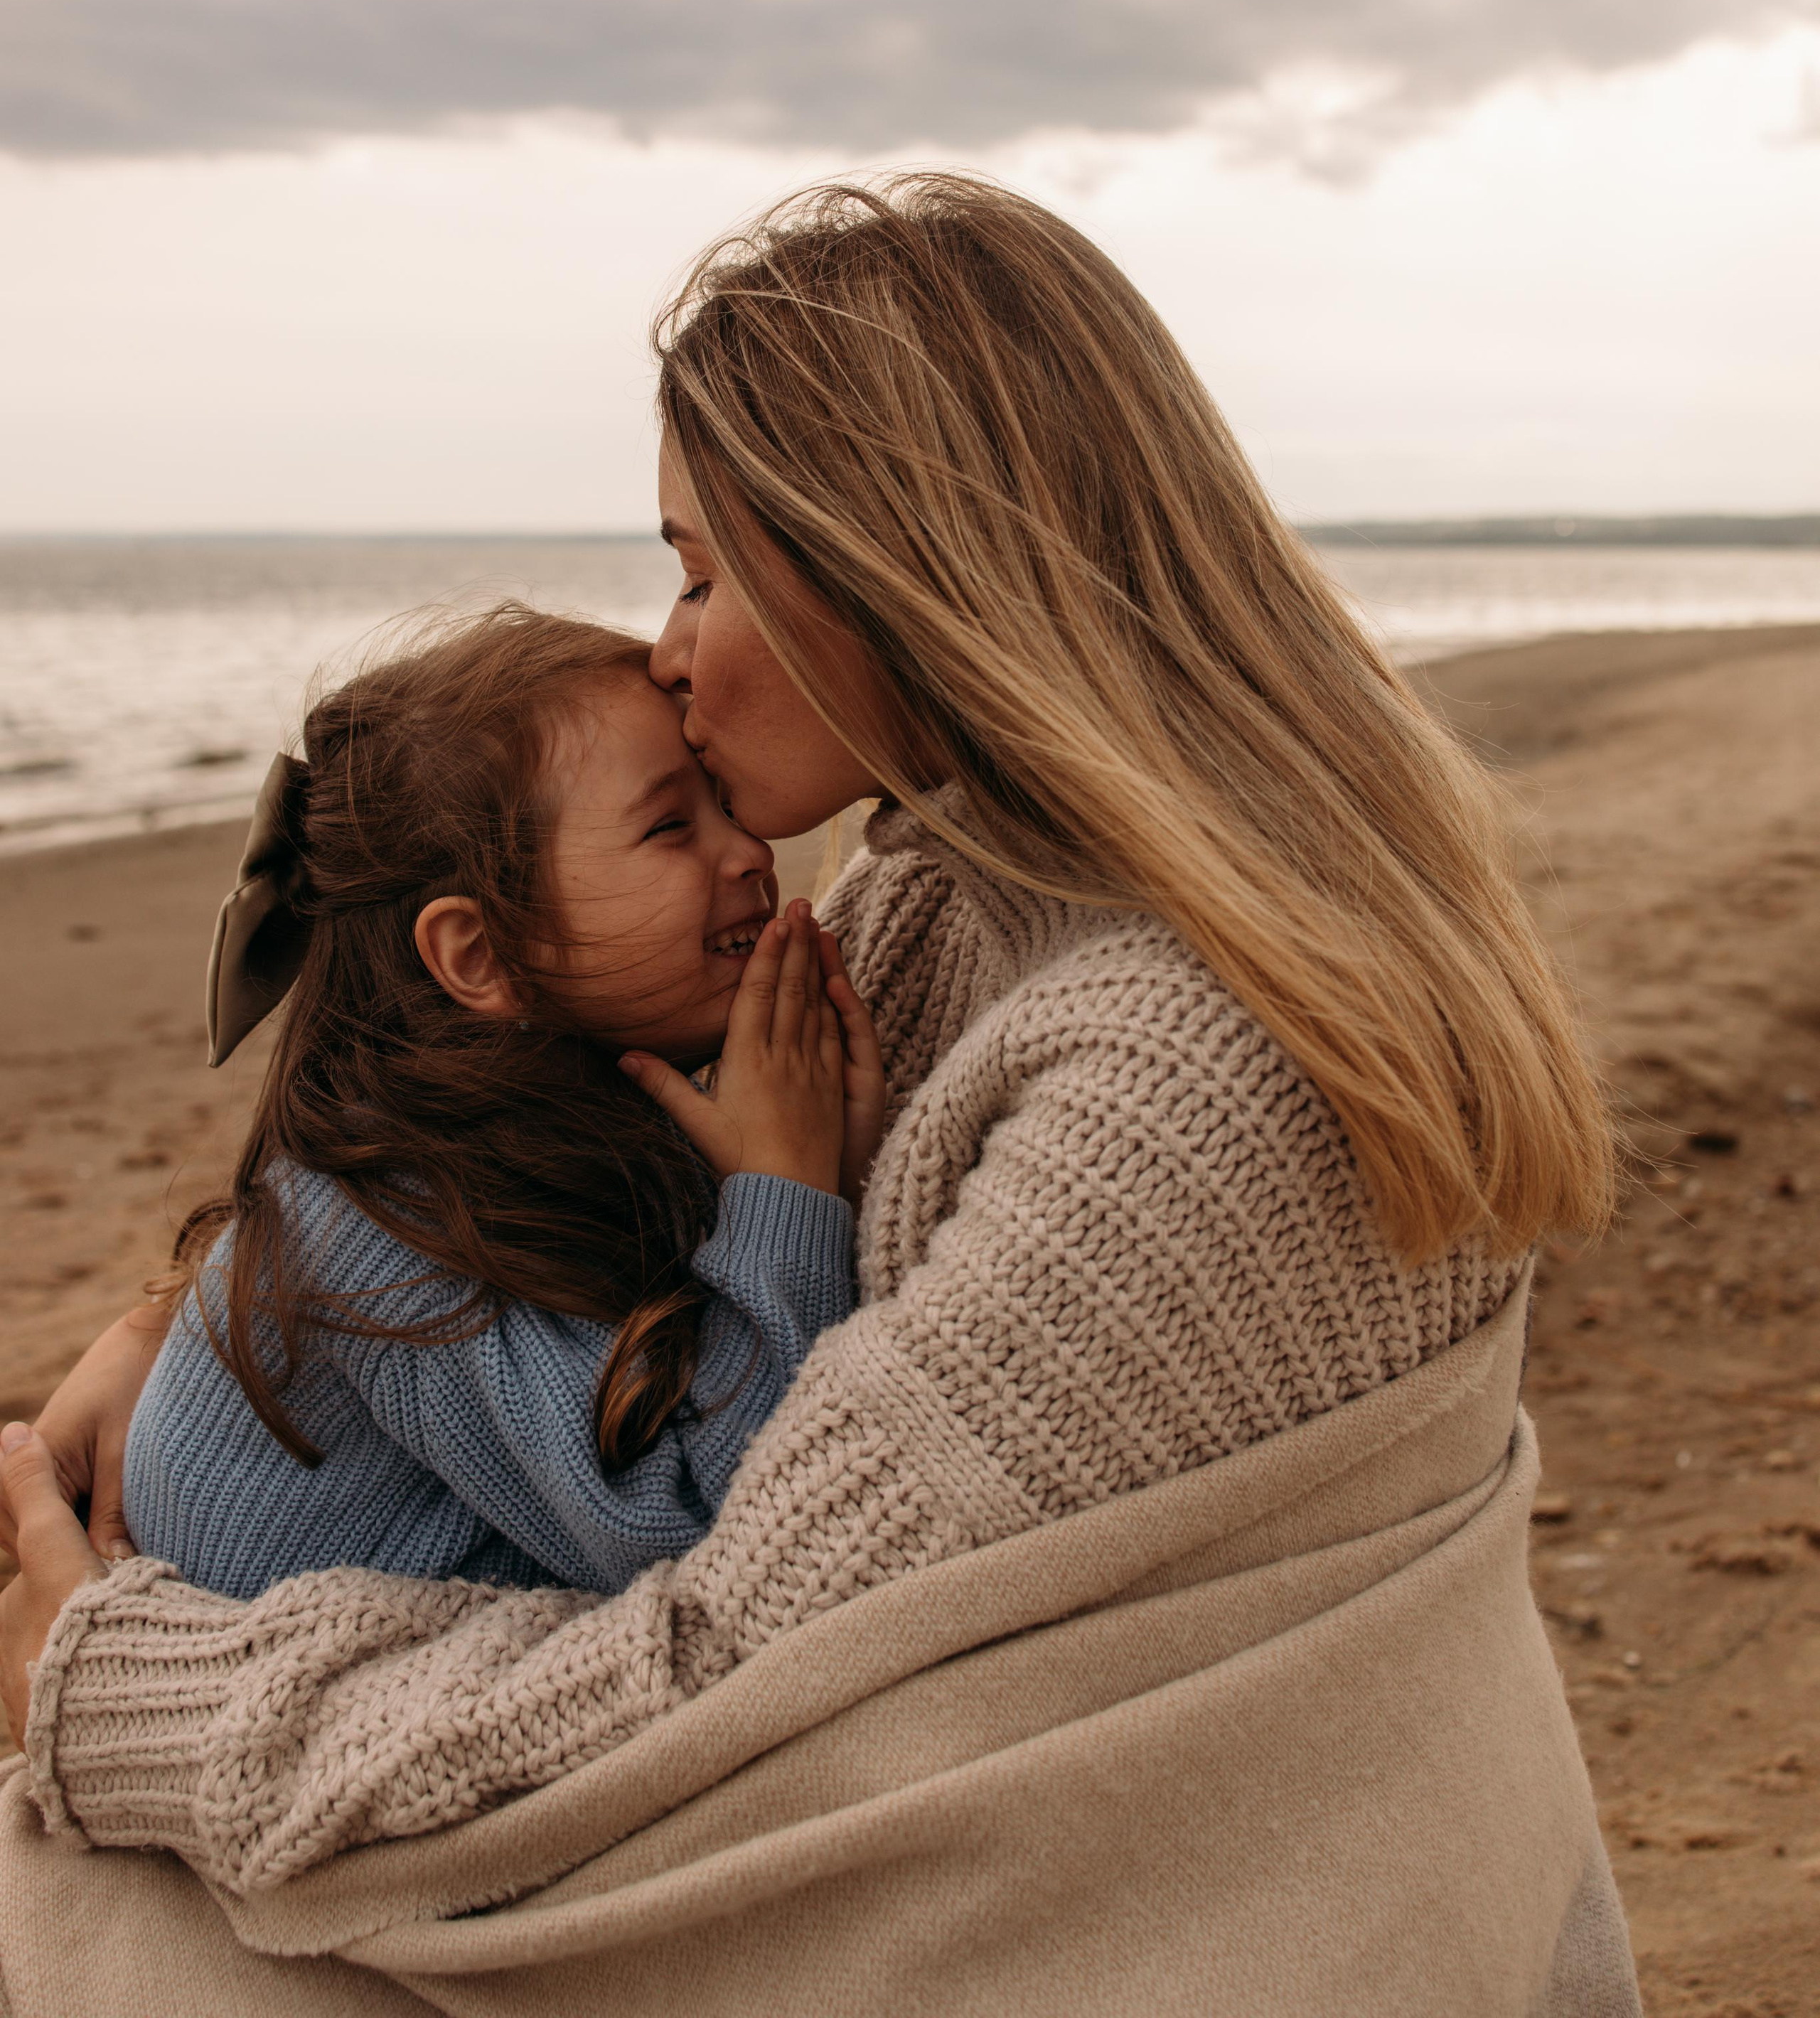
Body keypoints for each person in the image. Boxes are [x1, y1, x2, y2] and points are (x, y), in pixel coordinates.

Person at [0, 177, 1638, 2017]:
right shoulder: (972, 887)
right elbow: (530, 1157)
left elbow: (704, 1688)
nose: (669, 652)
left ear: (899, 558)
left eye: (705, 569)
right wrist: (199, 1314)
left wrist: (120, 1676)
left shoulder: (1168, 1091)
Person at [104, 605, 873, 1602]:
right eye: (672, 825)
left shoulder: (554, 1120)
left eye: (721, 801)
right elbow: (705, 1528)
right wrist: (791, 1192)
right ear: (482, 956)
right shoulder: (387, 1242)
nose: (751, 853)